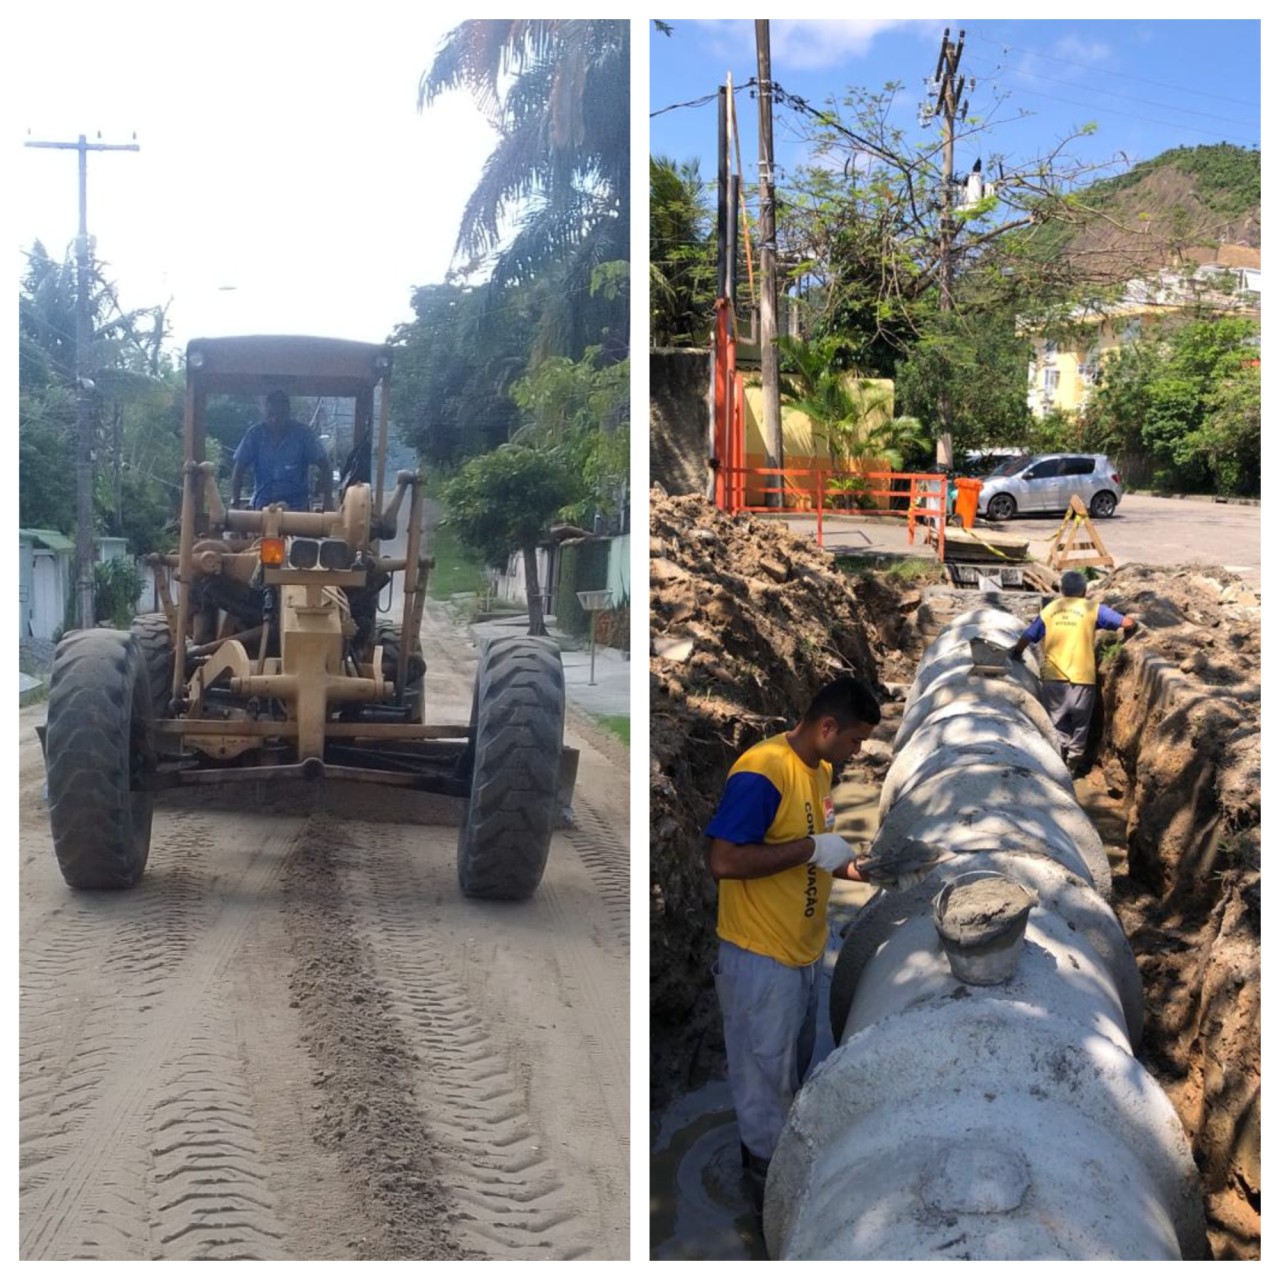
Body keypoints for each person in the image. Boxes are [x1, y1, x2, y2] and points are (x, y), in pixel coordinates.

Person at [704, 674, 883, 1211]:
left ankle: (780, 1170)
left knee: (787, 1076)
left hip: (803, 955)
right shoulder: (763, 773)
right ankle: (766, 1206)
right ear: (827, 727)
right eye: (855, 740)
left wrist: (867, 870)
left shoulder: (820, 770)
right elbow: (724, 861)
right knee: (764, 1090)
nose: (858, 753)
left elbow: (819, 855)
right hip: (760, 961)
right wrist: (810, 848)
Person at [1009, 569, 1136, 775]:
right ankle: (1073, 764)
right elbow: (1127, 623)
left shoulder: (1051, 609)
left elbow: (1029, 635)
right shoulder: (1092, 608)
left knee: (1056, 724)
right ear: (1085, 591)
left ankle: (1057, 766)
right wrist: (1134, 622)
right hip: (1083, 679)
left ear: (1062, 591)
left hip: (1053, 678)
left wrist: (1016, 652)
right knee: (1080, 725)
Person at [231, 390, 332, 512]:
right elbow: (239, 468)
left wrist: (328, 501)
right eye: (271, 414)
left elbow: (325, 466)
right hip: (262, 503)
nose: (275, 419)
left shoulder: (304, 434)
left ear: (288, 413)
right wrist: (235, 502)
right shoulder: (254, 434)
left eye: (280, 414)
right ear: (264, 412)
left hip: (297, 506)